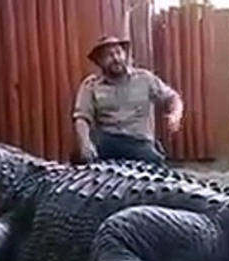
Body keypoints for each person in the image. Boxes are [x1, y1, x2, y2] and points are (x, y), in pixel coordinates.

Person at [72, 35, 184, 165]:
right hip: (106, 141)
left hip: (139, 142)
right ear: (100, 61)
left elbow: (173, 98)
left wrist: (175, 115)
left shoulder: (145, 79)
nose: (116, 58)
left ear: (125, 55)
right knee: (78, 165)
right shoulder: (90, 85)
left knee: (159, 175)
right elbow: (82, 117)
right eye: (109, 55)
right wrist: (85, 144)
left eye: (118, 53)